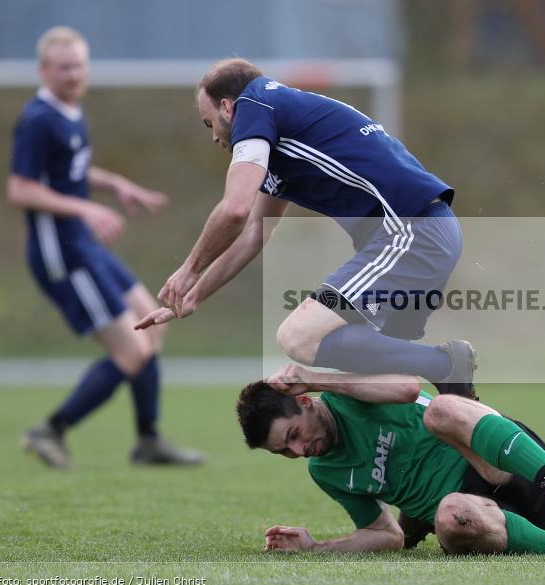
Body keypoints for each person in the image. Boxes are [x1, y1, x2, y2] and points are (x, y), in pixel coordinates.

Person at [134, 58, 476, 398]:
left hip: (411, 232)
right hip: (425, 231)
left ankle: (445, 364)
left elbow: (235, 209)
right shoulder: (280, 123)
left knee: (298, 336)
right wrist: (194, 295)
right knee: (379, 384)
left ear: (227, 107)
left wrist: (187, 270)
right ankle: (460, 419)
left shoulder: (254, 105)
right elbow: (256, 231)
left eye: (208, 123)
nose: (213, 137)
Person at [9, 26, 202, 468]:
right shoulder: (38, 119)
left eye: (79, 65)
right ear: (44, 70)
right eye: (64, 67)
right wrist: (85, 209)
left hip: (84, 245)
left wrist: (113, 184)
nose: (74, 74)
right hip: (63, 254)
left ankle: (149, 440)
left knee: (152, 324)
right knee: (131, 350)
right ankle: (50, 430)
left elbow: (68, 171)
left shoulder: (69, 112)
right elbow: (21, 189)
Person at [236, 365, 545, 555]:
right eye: (283, 452)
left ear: (305, 401)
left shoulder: (347, 391)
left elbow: (407, 388)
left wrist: (316, 376)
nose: (298, 451)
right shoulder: (324, 470)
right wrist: (318, 548)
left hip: (505, 468)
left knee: (439, 409)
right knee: (448, 513)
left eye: (293, 436)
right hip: (483, 520)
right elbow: (382, 535)